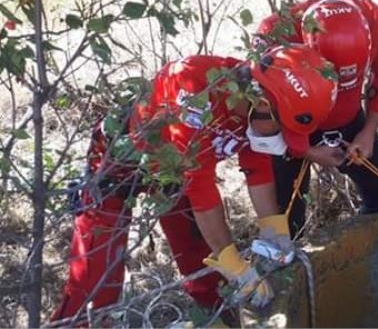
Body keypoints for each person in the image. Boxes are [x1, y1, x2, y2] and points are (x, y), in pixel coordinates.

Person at [51, 45, 338, 326]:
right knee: (95, 281)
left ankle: (217, 319)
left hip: (175, 174)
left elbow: (257, 166)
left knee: (203, 264)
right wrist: (235, 264)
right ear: (263, 104)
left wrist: (274, 228)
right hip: (121, 161)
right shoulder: (194, 98)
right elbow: (202, 192)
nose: (284, 140)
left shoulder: (257, 99)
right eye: (283, 130)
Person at [257, 0, 378, 236]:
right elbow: (261, 113)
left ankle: (366, 259)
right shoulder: (276, 34)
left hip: (348, 120)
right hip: (291, 127)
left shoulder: (374, 20)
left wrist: (368, 131)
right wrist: (306, 150)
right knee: (285, 227)